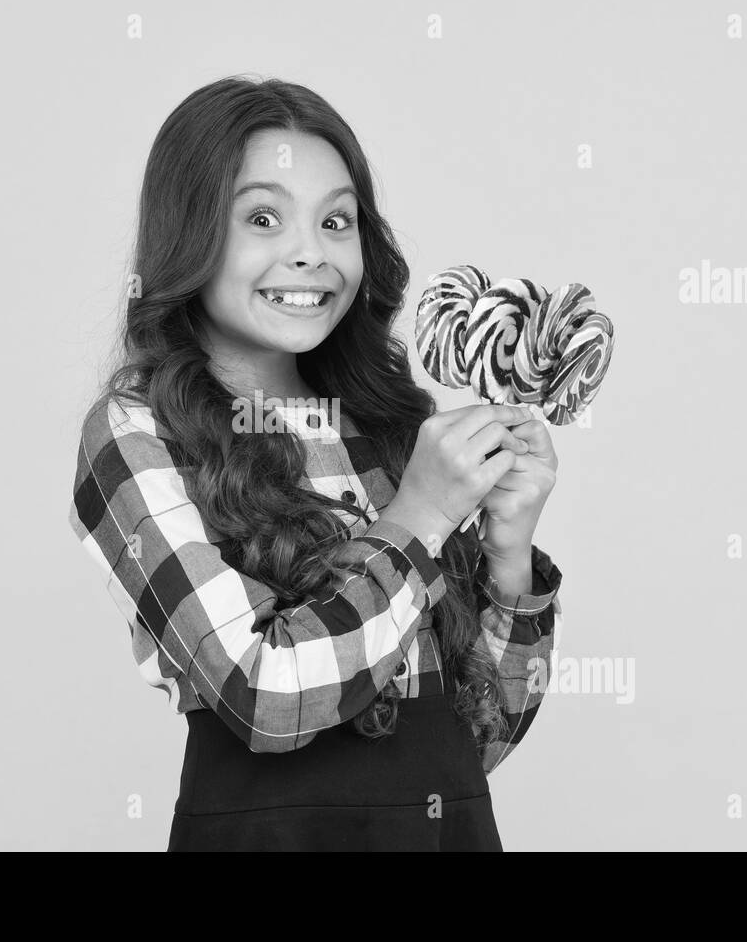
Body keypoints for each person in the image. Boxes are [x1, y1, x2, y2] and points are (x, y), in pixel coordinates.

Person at [70, 75, 564, 851]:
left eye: (337, 221)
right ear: (190, 232)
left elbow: (476, 742)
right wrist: (421, 517)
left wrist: (508, 553)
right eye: (263, 217)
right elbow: (262, 693)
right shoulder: (138, 431)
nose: (311, 253)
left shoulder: (391, 427)